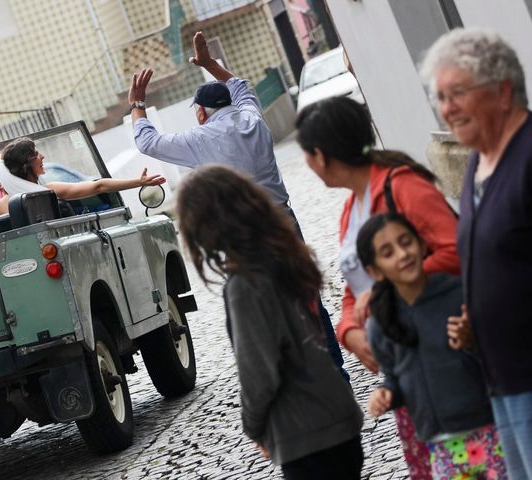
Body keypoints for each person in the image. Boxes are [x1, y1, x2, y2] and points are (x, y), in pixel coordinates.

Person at [130, 30, 348, 382]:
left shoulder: (199, 139)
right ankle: (335, 373)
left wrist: (137, 104)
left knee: (259, 311)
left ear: (201, 113)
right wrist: (210, 65)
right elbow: (242, 86)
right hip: (282, 221)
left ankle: (288, 383)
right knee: (307, 299)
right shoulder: (253, 118)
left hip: (241, 235)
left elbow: (149, 141)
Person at [296, 95, 459, 479]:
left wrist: (385, 288)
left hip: (446, 358)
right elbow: (357, 286)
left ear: (320, 156)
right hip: (406, 369)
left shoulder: (402, 187)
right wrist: (348, 330)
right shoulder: (352, 208)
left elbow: (456, 249)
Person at [176, 164, 363, 479]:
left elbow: (259, 373)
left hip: (309, 437)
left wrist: (254, 427)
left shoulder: (245, 284)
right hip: (338, 419)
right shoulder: (281, 255)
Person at [421, 27, 532, 479]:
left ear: (503, 92)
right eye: (441, 97)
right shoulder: (478, 167)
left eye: (458, 93)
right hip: (504, 378)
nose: (446, 108)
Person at [359, 213, 507, 480]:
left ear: (422, 244)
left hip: (490, 431)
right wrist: (385, 393)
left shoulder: (459, 295)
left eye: (406, 242)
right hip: (442, 447)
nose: (403, 254)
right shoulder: (380, 325)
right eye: (388, 252)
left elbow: (497, 358)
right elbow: (395, 379)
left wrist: (471, 341)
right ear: (375, 271)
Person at [0, 137, 165, 217]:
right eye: (36, 154)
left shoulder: (0, 207)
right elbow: (99, 186)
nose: (42, 157)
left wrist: (139, 181)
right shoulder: (49, 191)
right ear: (25, 164)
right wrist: (139, 182)